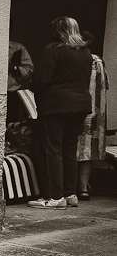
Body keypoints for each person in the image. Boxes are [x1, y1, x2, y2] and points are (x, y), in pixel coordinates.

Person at [29, 17, 93, 210]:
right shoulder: (86, 52)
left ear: (57, 31)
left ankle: (55, 197)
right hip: (81, 105)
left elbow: (42, 80)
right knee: (69, 149)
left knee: (53, 149)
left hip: (56, 106)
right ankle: (70, 193)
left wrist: (31, 84)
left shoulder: (53, 50)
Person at [76, 32, 109, 201]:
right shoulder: (99, 61)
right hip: (95, 112)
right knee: (87, 150)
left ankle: (69, 187)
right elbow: (105, 86)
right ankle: (83, 188)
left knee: (71, 147)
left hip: (77, 108)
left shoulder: (78, 60)